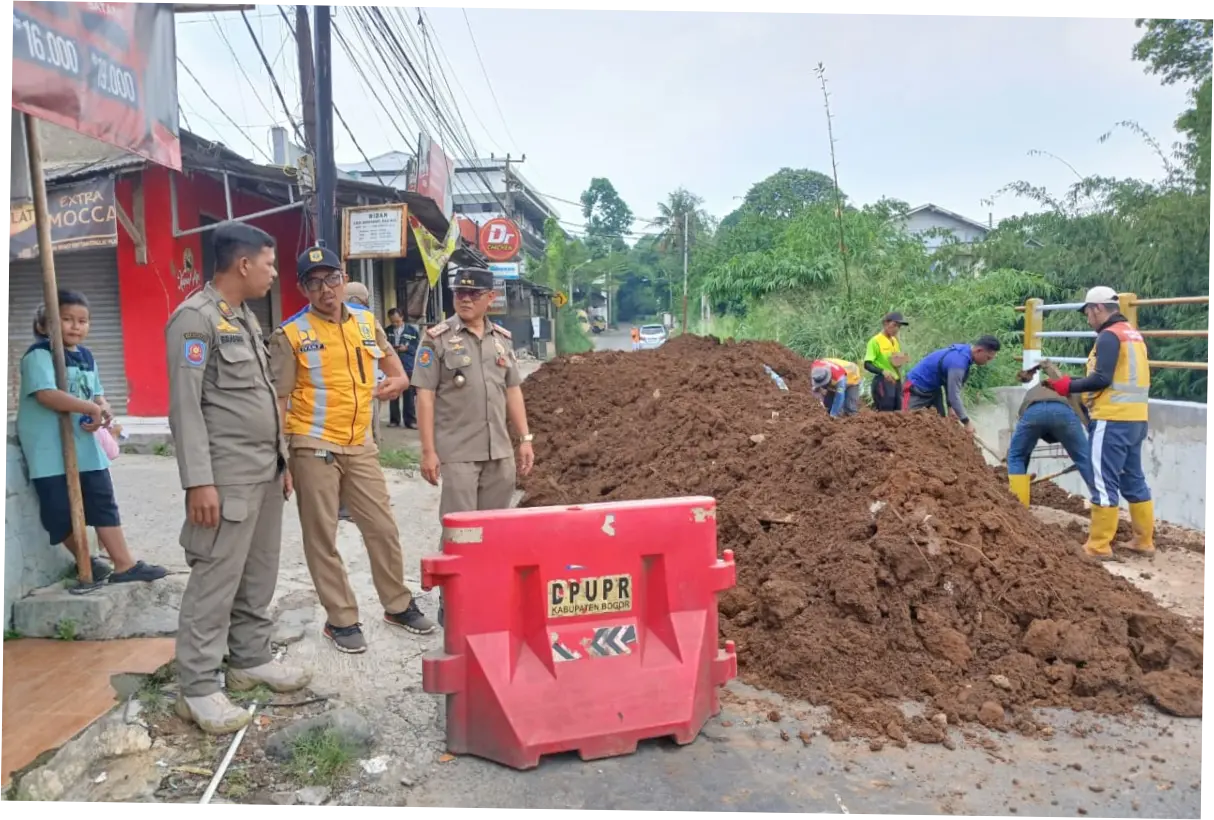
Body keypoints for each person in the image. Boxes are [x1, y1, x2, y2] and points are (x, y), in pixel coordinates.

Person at [165, 223, 310, 735]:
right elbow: (185, 409)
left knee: (258, 575)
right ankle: (198, 688)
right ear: (244, 264)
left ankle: (249, 660)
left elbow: (262, 396)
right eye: (270, 264)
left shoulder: (244, 319)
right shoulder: (193, 321)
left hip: (264, 472)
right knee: (215, 580)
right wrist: (198, 482)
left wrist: (282, 460)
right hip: (224, 479)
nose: (275, 273)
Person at [270, 245, 436, 654]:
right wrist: (281, 459)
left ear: (343, 279)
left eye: (332, 279)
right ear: (302, 288)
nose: (325, 289)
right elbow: (279, 400)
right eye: (314, 282)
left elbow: (397, 371)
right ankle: (341, 618)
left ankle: (397, 604)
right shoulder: (290, 334)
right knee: (321, 535)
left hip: (360, 443)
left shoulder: (366, 322)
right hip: (311, 443)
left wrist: (396, 383)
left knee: (381, 526)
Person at [412, 266, 536, 625]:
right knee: (460, 531)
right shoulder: (436, 338)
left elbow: (512, 390)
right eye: (459, 294)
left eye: (473, 294)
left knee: (495, 531)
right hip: (458, 452)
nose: (465, 299)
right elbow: (425, 395)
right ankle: (452, 602)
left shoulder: (502, 339)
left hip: (499, 450)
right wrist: (428, 450)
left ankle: (487, 599)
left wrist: (524, 438)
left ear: (489, 299)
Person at [18, 291, 167, 587]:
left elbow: (97, 394)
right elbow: (46, 394)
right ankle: (87, 561)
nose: (76, 326)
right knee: (58, 512)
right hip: (49, 450)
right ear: (45, 324)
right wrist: (89, 407)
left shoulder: (86, 357)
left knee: (102, 502)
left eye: (82, 321)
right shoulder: (39, 355)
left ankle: (125, 565)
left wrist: (105, 408)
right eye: (67, 319)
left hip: (85, 446)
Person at [1042, 286, 1153, 560]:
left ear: (1098, 308)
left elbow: (1102, 378)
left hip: (1112, 418)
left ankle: (1098, 546)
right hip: (1136, 418)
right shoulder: (1132, 335)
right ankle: (1143, 540)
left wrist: (1069, 385)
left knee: (1104, 481)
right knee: (1133, 478)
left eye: (1088, 313)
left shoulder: (1108, 336)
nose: (1088, 319)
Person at [1006, 364, 1095, 508]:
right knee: (1084, 459)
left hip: (1032, 413)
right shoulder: (1076, 388)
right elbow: (1088, 420)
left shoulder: (1035, 389)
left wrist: (1019, 463)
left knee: (1017, 456)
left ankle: (1018, 504)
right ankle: (1102, 502)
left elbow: (1022, 416)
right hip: (1063, 413)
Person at [903, 336, 1002, 432]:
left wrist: (951, 407)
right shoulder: (958, 363)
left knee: (940, 424)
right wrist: (966, 422)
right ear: (979, 350)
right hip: (915, 386)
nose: (987, 362)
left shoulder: (966, 351)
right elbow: (954, 396)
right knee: (906, 421)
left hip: (934, 388)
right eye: (988, 358)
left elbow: (949, 381)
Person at [863, 312, 911, 411]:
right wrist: (883, 371)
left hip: (896, 380)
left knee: (898, 410)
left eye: (899, 326)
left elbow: (895, 360)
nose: (896, 329)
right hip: (883, 380)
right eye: (894, 325)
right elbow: (867, 364)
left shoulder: (894, 341)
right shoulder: (875, 341)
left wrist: (902, 359)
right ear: (885, 323)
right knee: (886, 410)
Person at [385, 307, 420, 429]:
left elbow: (418, 347)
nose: (395, 324)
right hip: (392, 366)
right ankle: (394, 420)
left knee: (409, 394)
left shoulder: (412, 331)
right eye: (392, 321)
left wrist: (407, 349)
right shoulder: (387, 331)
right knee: (393, 393)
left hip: (408, 365)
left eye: (397, 321)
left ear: (402, 318)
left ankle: (410, 421)